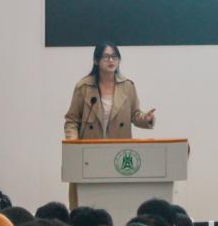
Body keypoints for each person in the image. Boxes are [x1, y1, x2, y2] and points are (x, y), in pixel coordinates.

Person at [63, 42, 155, 208]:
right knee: (88, 202)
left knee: (116, 199)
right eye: (106, 57)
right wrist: (73, 144)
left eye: (114, 56)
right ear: (96, 61)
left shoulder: (127, 86)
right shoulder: (84, 87)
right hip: (90, 153)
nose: (111, 60)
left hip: (117, 152)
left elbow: (135, 115)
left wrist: (146, 118)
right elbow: (72, 120)